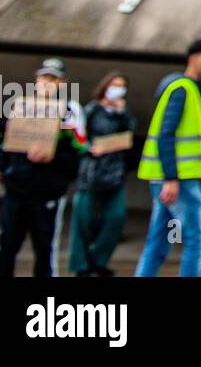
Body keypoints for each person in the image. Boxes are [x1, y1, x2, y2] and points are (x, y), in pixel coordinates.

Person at [0, 58, 86, 277]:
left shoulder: (70, 112)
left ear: (62, 83)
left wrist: (52, 157)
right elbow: (8, 145)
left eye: (53, 79)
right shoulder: (22, 106)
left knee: (44, 248)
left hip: (46, 193)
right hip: (16, 189)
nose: (47, 83)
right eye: (44, 77)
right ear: (36, 79)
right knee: (6, 245)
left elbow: (77, 154)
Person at [136, 39, 201, 277]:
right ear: (193, 59)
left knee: (159, 241)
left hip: (173, 179)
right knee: (197, 241)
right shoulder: (183, 89)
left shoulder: (187, 88)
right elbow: (166, 134)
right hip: (180, 181)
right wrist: (171, 178)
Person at [68, 71, 135, 276]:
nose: (117, 89)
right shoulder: (91, 111)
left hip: (114, 173)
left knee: (115, 218)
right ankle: (81, 264)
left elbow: (130, 135)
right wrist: (89, 148)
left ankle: (99, 259)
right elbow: (76, 135)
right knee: (83, 220)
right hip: (91, 172)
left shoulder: (122, 114)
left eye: (121, 85)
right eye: (114, 85)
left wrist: (122, 113)